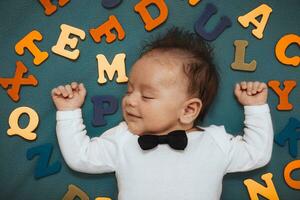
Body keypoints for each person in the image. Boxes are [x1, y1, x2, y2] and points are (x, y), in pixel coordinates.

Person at [51, 27, 273, 200]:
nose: (130, 100)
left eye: (146, 96)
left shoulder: (215, 142)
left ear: (188, 110)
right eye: (129, 90)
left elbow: (257, 153)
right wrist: (69, 112)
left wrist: (255, 108)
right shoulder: (123, 138)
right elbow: (81, 157)